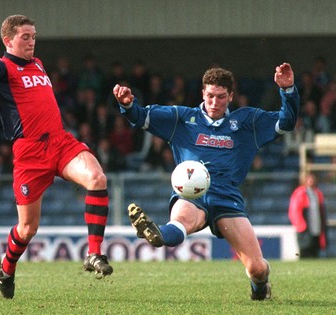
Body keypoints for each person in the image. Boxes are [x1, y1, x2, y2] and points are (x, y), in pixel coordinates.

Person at [113, 63, 299, 301]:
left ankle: (260, 286)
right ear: (203, 93)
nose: (214, 102)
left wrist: (288, 90)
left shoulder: (247, 122)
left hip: (226, 197)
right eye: (210, 96)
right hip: (191, 194)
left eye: (221, 97)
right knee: (181, 221)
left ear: (230, 96)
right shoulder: (182, 118)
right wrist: (127, 104)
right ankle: (159, 233)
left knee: (257, 268)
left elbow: (287, 122)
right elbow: (140, 117)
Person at [0, 15, 113, 299]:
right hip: (30, 152)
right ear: (9, 40)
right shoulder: (0, 67)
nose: (32, 41)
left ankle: (94, 254)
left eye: (34, 36)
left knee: (97, 178)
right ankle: (7, 270)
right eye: (25, 37)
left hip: (60, 141)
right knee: (27, 228)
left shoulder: (37, 64)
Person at [288, 173, 327, 258]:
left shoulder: (318, 193)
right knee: (305, 249)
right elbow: (295, 210)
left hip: (316, 226)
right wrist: (301, 225)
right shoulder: (300, 193)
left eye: (313, 179)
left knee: (315, 250)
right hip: (305, 227)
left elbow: (321, 211)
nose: (311, 181)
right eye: (309, 179)